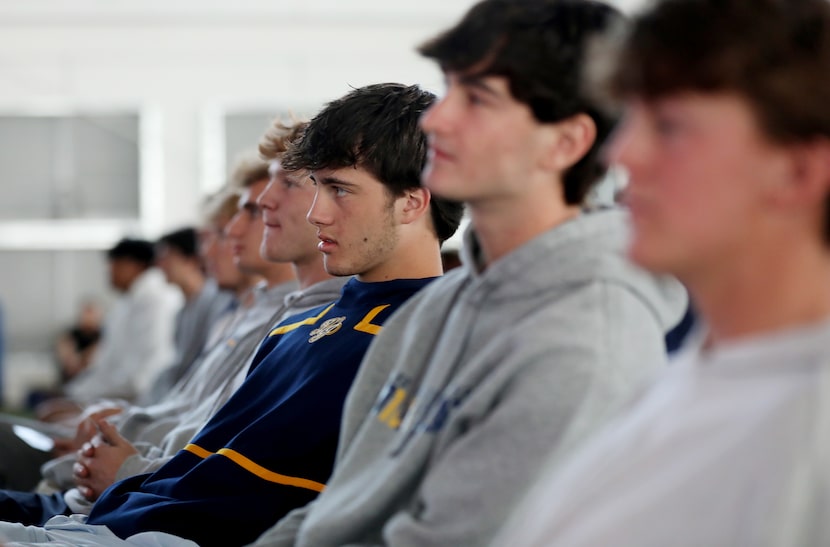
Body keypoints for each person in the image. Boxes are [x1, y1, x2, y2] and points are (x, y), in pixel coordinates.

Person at [252, 2, 684, 546]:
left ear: (566, 142)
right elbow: (336, 511)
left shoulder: (584, 345)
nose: (437, 120)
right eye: (450, 88)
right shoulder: (443, 304)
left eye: (478, 99)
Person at [0, 83, 463, 546]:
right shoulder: (297, 327)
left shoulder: (421, 341)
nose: (317, 213)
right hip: (111, 520)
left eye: (340, 190)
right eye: (318, 187)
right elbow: (197, 473)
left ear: (413, 201)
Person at [497, 0, 830, 546]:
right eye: (631, 118)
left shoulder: (811, 439)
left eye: (670, 126)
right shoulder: (701, 374)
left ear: (797, 171)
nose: (621, 153)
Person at [140, 226, 235, 404]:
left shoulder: (216, 303)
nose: (159, 265)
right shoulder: (182, 312)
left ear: (191, 260)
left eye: (167, 257)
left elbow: (194, 369)